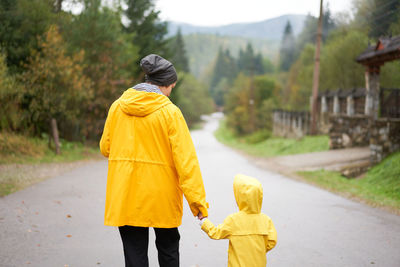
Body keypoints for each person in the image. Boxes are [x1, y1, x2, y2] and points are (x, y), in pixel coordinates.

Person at [100, 54, 208, 267]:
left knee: (134, 253)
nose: (170, 94)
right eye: (171, 88)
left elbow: (106, 148)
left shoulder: (117, 107)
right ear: (166, 85)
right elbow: (187, 163)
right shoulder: (170, 113)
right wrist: (197, 204)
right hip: (162, 196)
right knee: (168, 249)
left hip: (127, 194)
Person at [199, 174, 277, 267]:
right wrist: (257, 251)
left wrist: (204, 221)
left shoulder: (233, 220)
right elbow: (272, 241)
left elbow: (215, 233)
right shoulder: (266, 220)